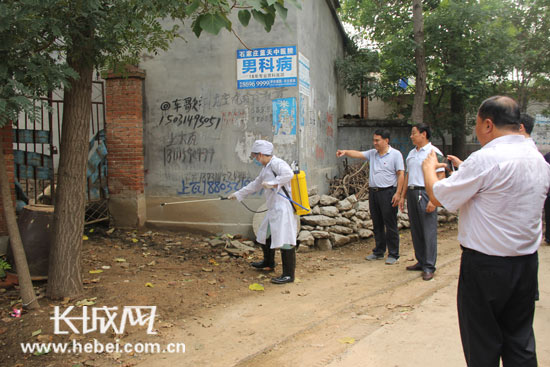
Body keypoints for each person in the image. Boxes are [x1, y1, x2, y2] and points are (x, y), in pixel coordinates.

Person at [422, 96, 550, 366]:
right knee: (520, 342)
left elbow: (439, 197)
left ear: (488, 124)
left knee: (482, 344)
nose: (476, 132)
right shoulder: (537, 158)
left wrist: (428, 171)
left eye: (477, 126)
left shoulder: (487, 158)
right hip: (526, 264)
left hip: (486, 267)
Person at [228, 140, 297, 284]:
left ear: (260, 155)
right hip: (273, 207)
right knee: (264, 234)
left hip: (282, 208)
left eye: (255, 157)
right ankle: (268, 262)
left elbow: (289, 174)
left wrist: (272, 183)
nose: (255, 160)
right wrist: (238, 194)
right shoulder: (266, 168)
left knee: (285, 240)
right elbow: (255, 185)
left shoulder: (278, 163)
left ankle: (289, 275)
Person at [336, 129, 405, 265]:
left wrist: (398, 193)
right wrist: (345, 152)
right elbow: (358, 154)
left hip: (388, 193)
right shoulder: (373, 154)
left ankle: (393, 254)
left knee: (390, 223)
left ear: (386, 140)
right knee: (377, 222)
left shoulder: (395, 155)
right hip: (374, 193)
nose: (374, 143)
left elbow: (401, 174)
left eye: (377, 140)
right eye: (374, 140)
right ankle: (379, 251)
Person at [399, 124, 445, 281]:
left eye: (414, 133)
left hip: (426, 192)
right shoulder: (411, 153)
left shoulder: (434, 153)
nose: (411, 136)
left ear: (423, 134)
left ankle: (429, 266)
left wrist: (434, 199)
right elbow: (407, 175)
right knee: (416, 229)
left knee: (428, 230)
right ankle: (421, 260)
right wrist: (402, 196)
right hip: (412, 192)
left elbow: (441, 176)